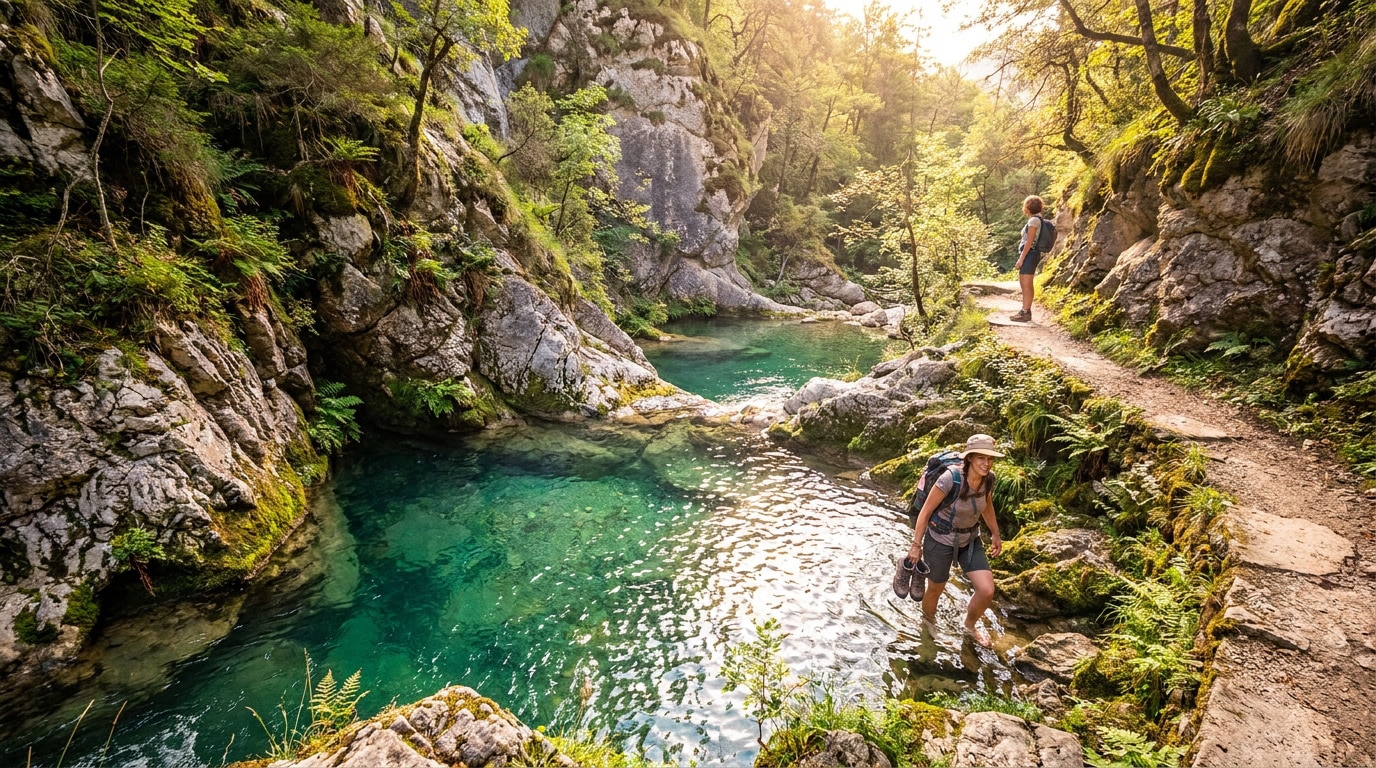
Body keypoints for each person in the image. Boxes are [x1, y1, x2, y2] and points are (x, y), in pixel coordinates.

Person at [905, 434, 1005, 648]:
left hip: (970, 539)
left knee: (986, 590)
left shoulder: (989, 479)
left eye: (989, 459)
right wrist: (916, 546)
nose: (986, 464)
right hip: (939, 539)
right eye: (981, 458)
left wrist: (995, 533)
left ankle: (969, 625)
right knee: (936, 588)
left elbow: (986, 505)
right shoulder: (949, 479)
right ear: (969, 458)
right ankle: (928, 621)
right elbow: (925, 513)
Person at [1012, 195, 1047, 322]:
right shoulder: (1038, 219)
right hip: (1031, 254)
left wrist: (1021, 259)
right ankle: (1025, 310)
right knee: (1025, 282)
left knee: (1026, 284)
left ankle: (1025, 312)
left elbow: (1030, 241)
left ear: (1027, 207)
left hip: (1030, 254)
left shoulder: (1034, 221)